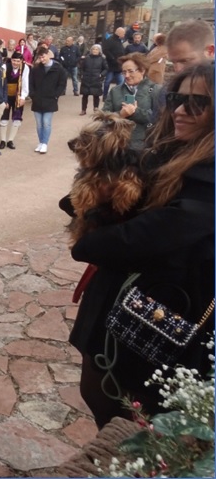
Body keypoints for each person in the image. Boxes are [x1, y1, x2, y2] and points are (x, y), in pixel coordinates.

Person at [65, 62, 214, 429]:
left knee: (126, 410)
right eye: (177, 98)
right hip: (122, 302)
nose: (180, 109)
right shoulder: (167, 150)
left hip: (160, 316)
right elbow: (101, 191)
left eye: (197, 103)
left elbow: (151, 235)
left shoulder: (208, 177)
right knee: (99, 392)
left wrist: (88, 241)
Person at [103, 53, 163, 149]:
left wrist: (135, 112)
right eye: (124, 72)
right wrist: (120, 115)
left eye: (131, 71)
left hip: (145, 147)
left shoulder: (156, 90)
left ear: (142, 70)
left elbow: (160, 119)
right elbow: (102, 119)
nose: (126, 75)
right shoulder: (115, 91)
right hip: (118, 146)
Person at [29, 45, 67, 154]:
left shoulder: (58, 68)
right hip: (37, 99)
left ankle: (45, 143)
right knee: (39, 124)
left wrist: (56, 95)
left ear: (48, 55)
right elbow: (31, 83)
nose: (42, 59)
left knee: (46, 123)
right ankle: (40, 142)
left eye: (43, 57)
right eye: (40, 58)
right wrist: (33, 95)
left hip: (50, 99)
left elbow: (62, 83)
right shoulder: (36, 69)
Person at [0, 51, 30, 150]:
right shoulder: (5, 67)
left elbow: (25, 82)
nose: (15, 63)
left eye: (18, 61)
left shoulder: (25, 68)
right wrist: (3, 100)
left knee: (16, 118)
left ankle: (10, 140)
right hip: (6, 95)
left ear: (21, 61)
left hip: (18, 96)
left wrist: (23, 97)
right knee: (4, 118)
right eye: (14, 60)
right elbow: (1, 83)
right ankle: (3, 140)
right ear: (11, 60)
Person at [78, 43, 108, 115]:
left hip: (96, 79)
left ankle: (96, 109)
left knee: (96, 95)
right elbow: (81, 67)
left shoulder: (102, 59)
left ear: (99, 51)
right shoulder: (87, 58)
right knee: (85, 95)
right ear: (91, 50)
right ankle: (83, 110)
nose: (95, 50)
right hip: (86, 78)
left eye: (96, 49)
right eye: (93, 49)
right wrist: (82, 74)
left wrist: (101, 75)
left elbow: (106, 69)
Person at [101, 27, 127, 99]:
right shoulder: (110, 40)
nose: (124, 35)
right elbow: (105, 50)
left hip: (119, 66)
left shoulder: (120, 41)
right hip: (111, 65)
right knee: (107, 82)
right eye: (123, 33)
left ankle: (119, 96)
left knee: (121, 83)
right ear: (119, 33)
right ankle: (105, 95)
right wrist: (112, 58)